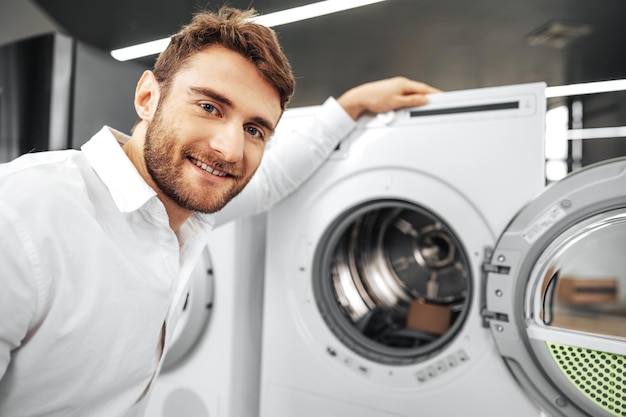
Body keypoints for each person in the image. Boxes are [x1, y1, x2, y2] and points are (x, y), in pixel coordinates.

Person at [0, 6, 440, 417]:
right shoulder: (22, 215)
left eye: (254, 129)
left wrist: (352, 106)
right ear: (148, 96)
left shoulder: (184, 213)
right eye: (210, 107)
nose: (229, 149)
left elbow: (271, 181)